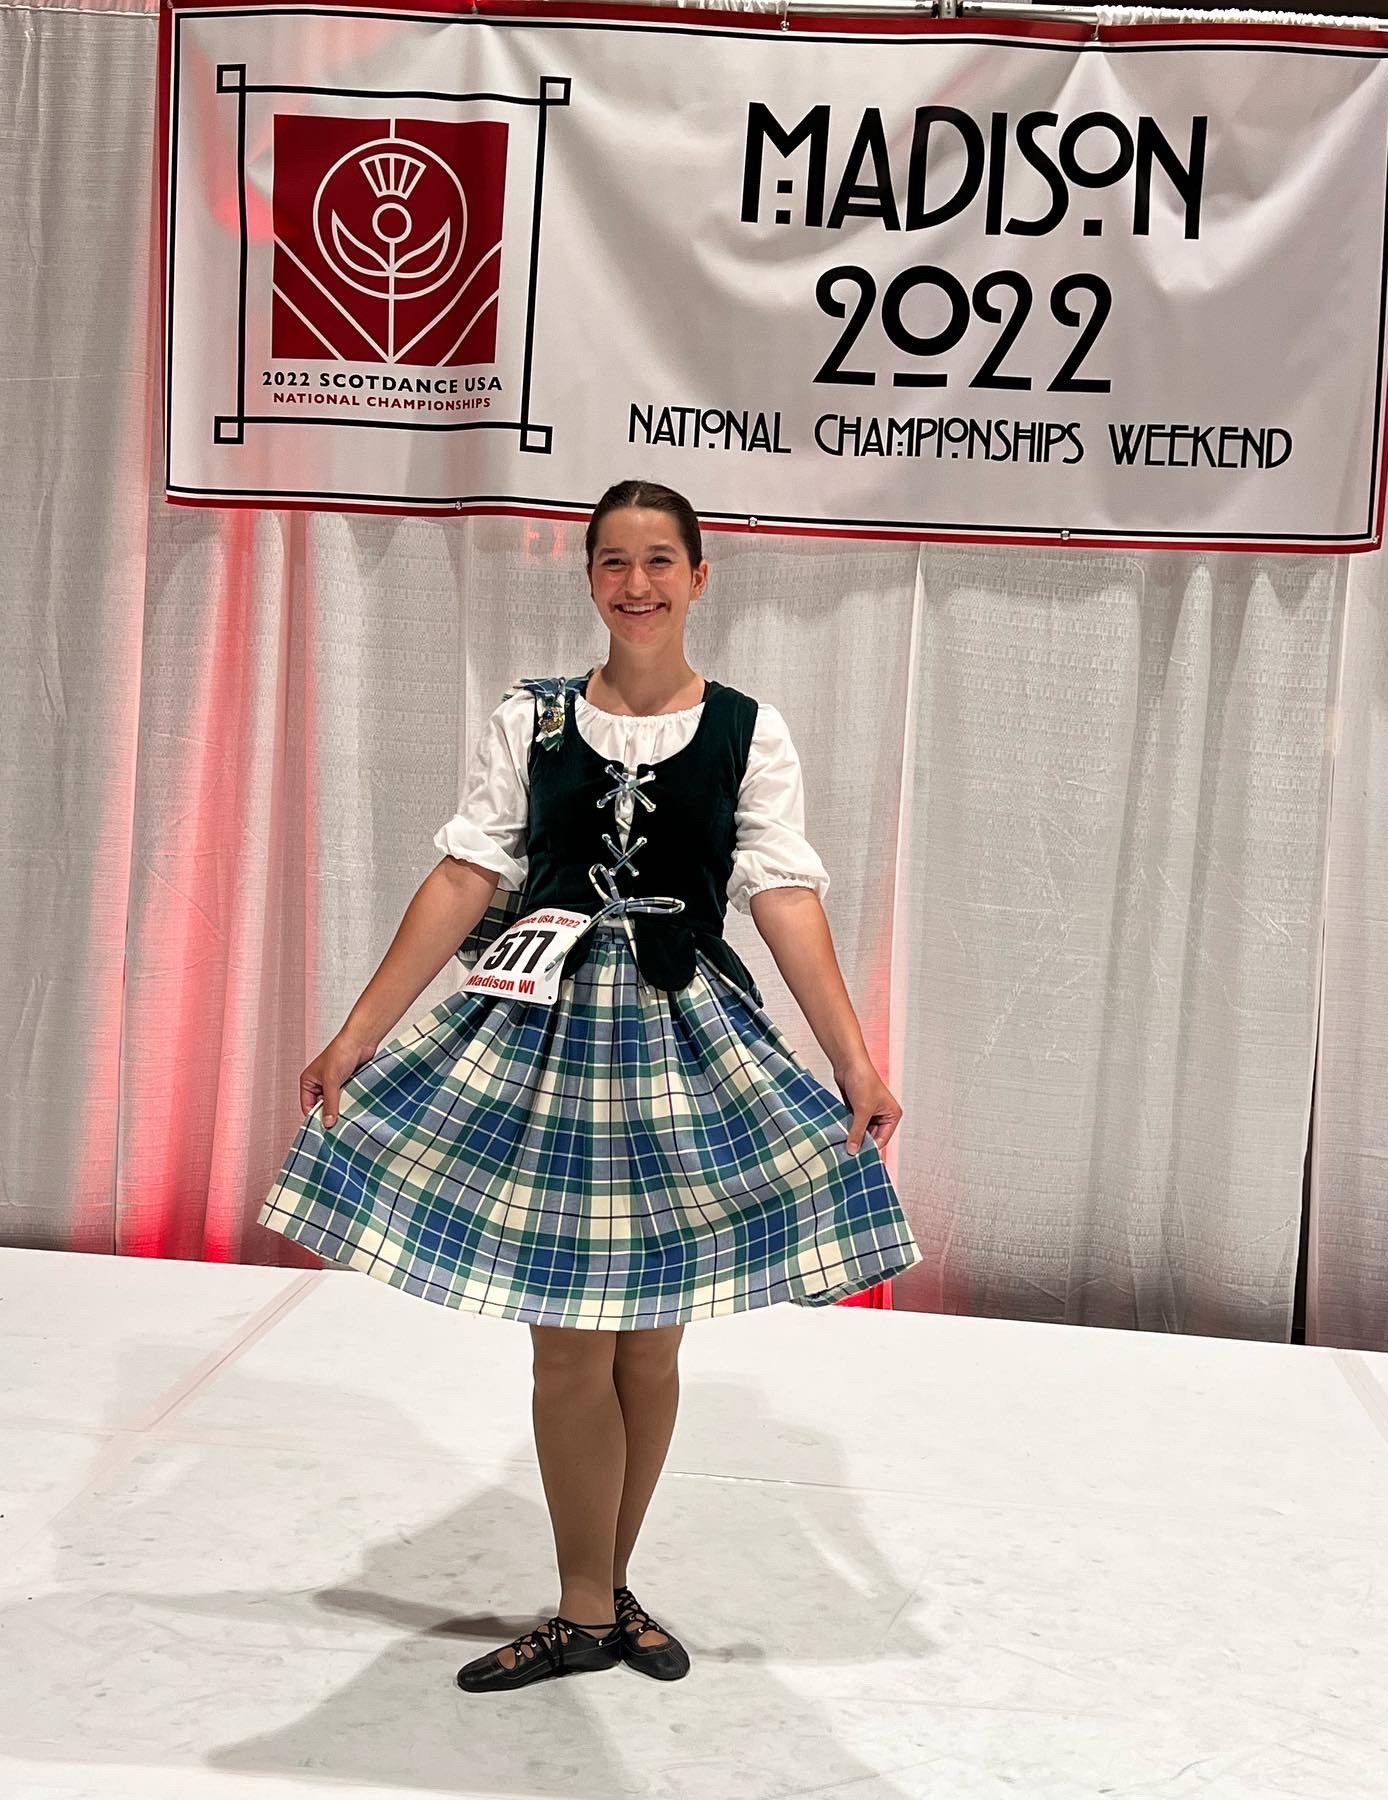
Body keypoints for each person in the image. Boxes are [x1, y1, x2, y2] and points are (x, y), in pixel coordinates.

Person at [256, 478, 923, 1695]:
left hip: (681, 1047)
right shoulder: (534, 718)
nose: (637, 583)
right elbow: (466, 877)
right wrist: (357, 1032)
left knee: (649, 1353)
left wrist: (854, 1058)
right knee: (569, 1351)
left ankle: (604, 1595)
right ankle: (582, 1606)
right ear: (589, 579)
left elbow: (783, 897)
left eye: (661, 559)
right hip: (547, 1044)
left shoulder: (747, 730)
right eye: (614, 560)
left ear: (700, 577)